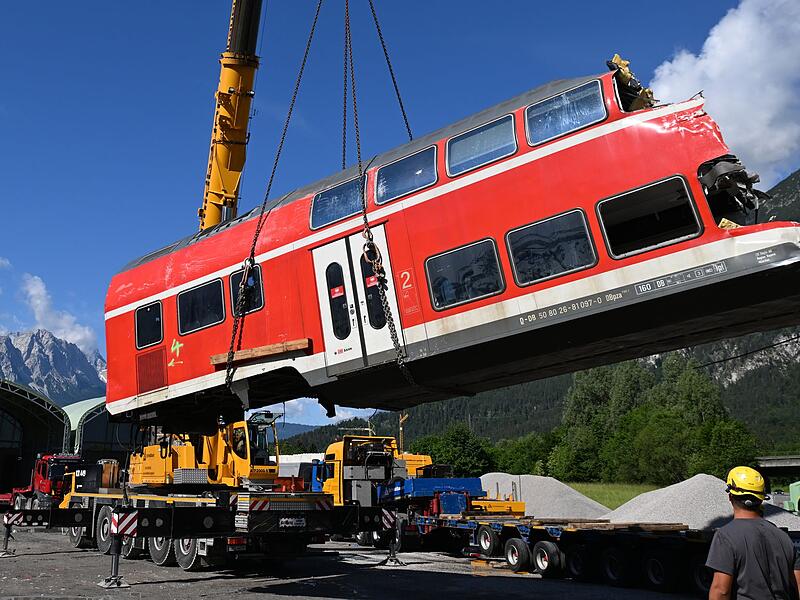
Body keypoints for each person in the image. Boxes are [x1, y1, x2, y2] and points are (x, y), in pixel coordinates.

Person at [707, 466, 800, 600]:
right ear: (761, 499)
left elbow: (721, 591)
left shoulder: (725, 536)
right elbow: (798, 586)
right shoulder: (783, 537)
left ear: (730, 496)